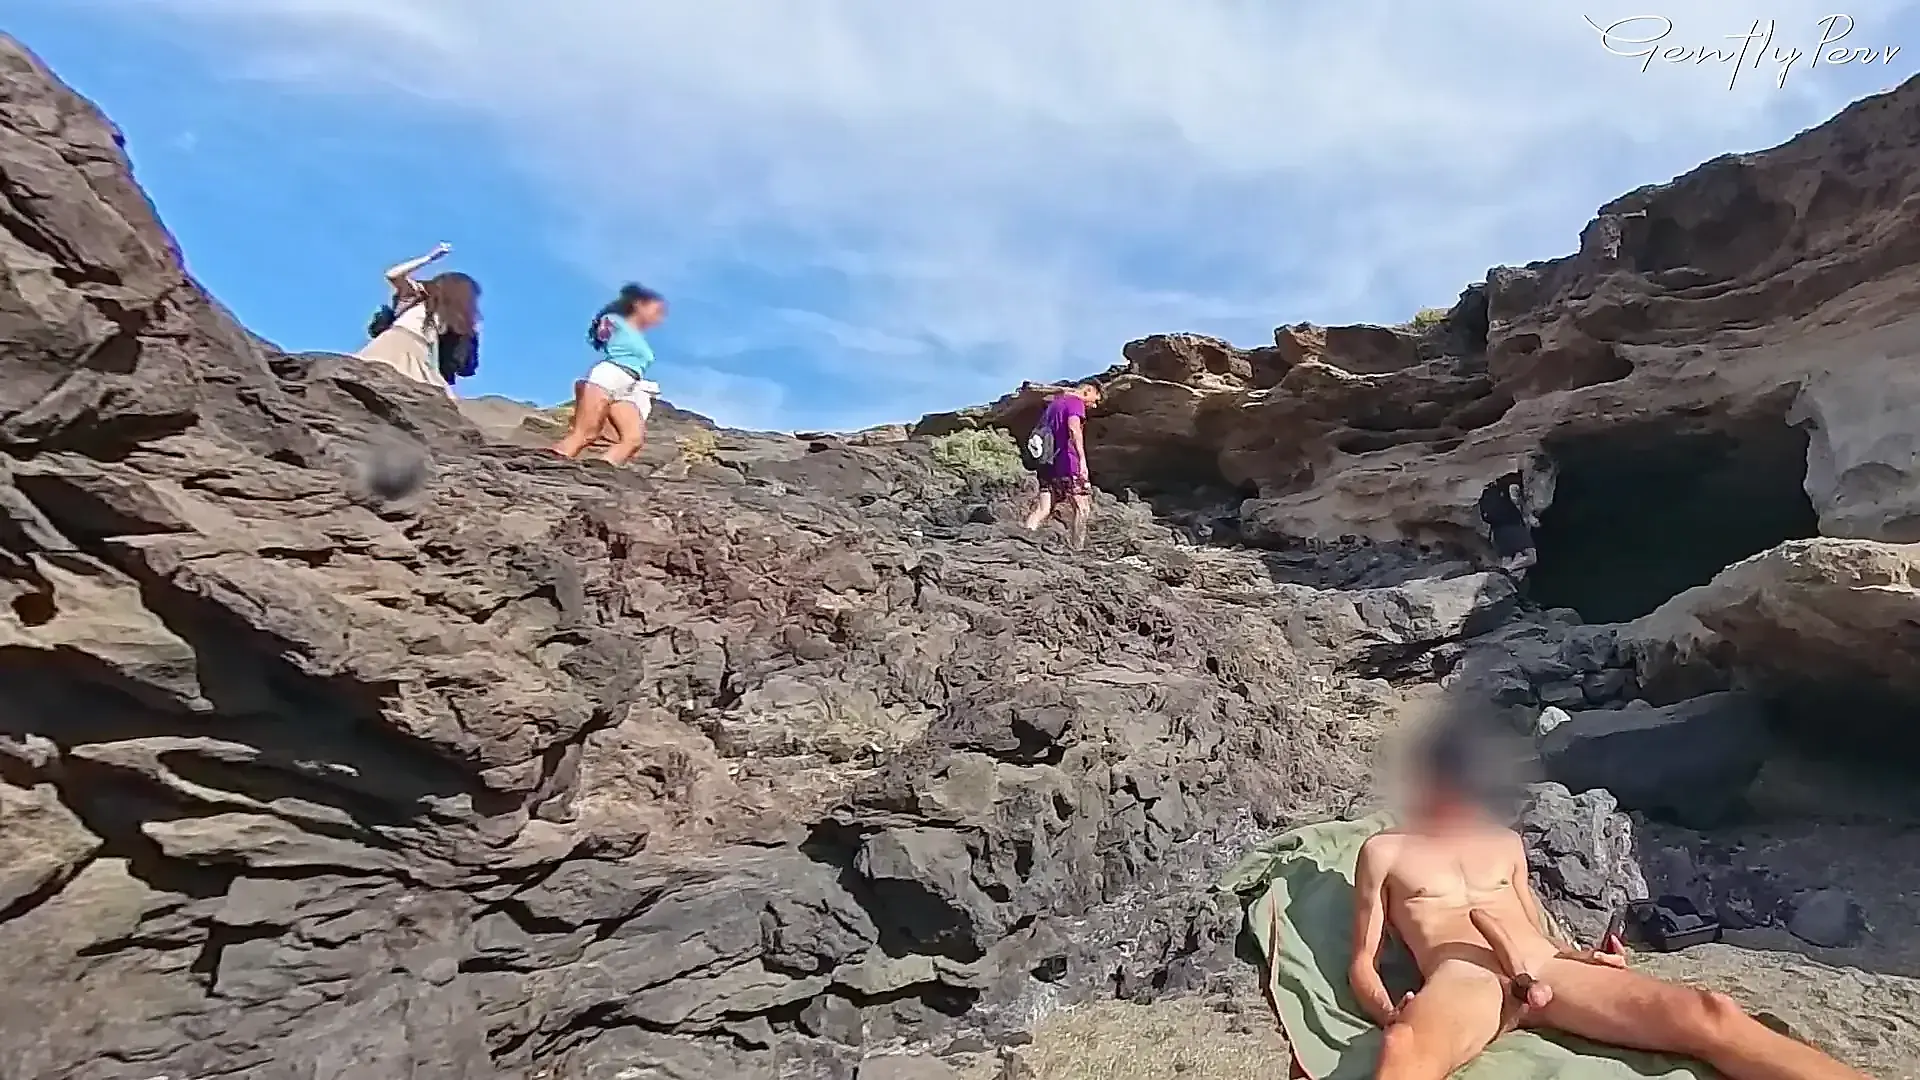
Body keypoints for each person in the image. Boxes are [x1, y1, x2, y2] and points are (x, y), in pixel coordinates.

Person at [1351, 723, 1872, 1080]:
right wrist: (1388, 1011)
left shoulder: (1503, 842)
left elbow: (1539, 930)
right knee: (1405, 1050)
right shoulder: (1385, 851)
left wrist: (1586, 958)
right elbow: (1363, 962)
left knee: (1710, 1012)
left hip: (1547, 968)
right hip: (1465, 978)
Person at [551, 284, 667, 466]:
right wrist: (603, 329)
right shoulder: (614, 321)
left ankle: (600, 471)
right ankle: (548, 463)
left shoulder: (637, 337)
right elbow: (602, 332)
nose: (659, 318)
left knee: (633, 439)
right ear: (639, 305)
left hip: (630, 386)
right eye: (657, 311)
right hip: (609, 376)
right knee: (586, 433)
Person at [355, 243, 481, 397]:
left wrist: (470, 329)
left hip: (421, 352)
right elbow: (393, 275)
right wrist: (429, 258)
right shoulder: (418, 296)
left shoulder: (451, 317)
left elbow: (458, 355)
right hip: (396, 341)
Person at [1022, 382, 1101, 550]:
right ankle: (1077, 549)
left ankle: (1024, 540)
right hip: (1068, 463)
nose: (1094, 406)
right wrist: (1082, 460)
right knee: (1082, 507)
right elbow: (1074, 429)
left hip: (1047, 465)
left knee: (1043, 509)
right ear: (1087, 391)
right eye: (1095, 400)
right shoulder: (1075, 402)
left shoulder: (1054, 405)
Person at [1476, 471, 1537, 575]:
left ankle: (1503, 574)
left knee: (1507, 556)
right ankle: (1507, 569)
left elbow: (1485, 516)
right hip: (1513, 525)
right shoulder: (1508, 485)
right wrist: (1528, 515)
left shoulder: (1486, 493)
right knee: (1531, 557)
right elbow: (1516, 499)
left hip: (1497, 530)